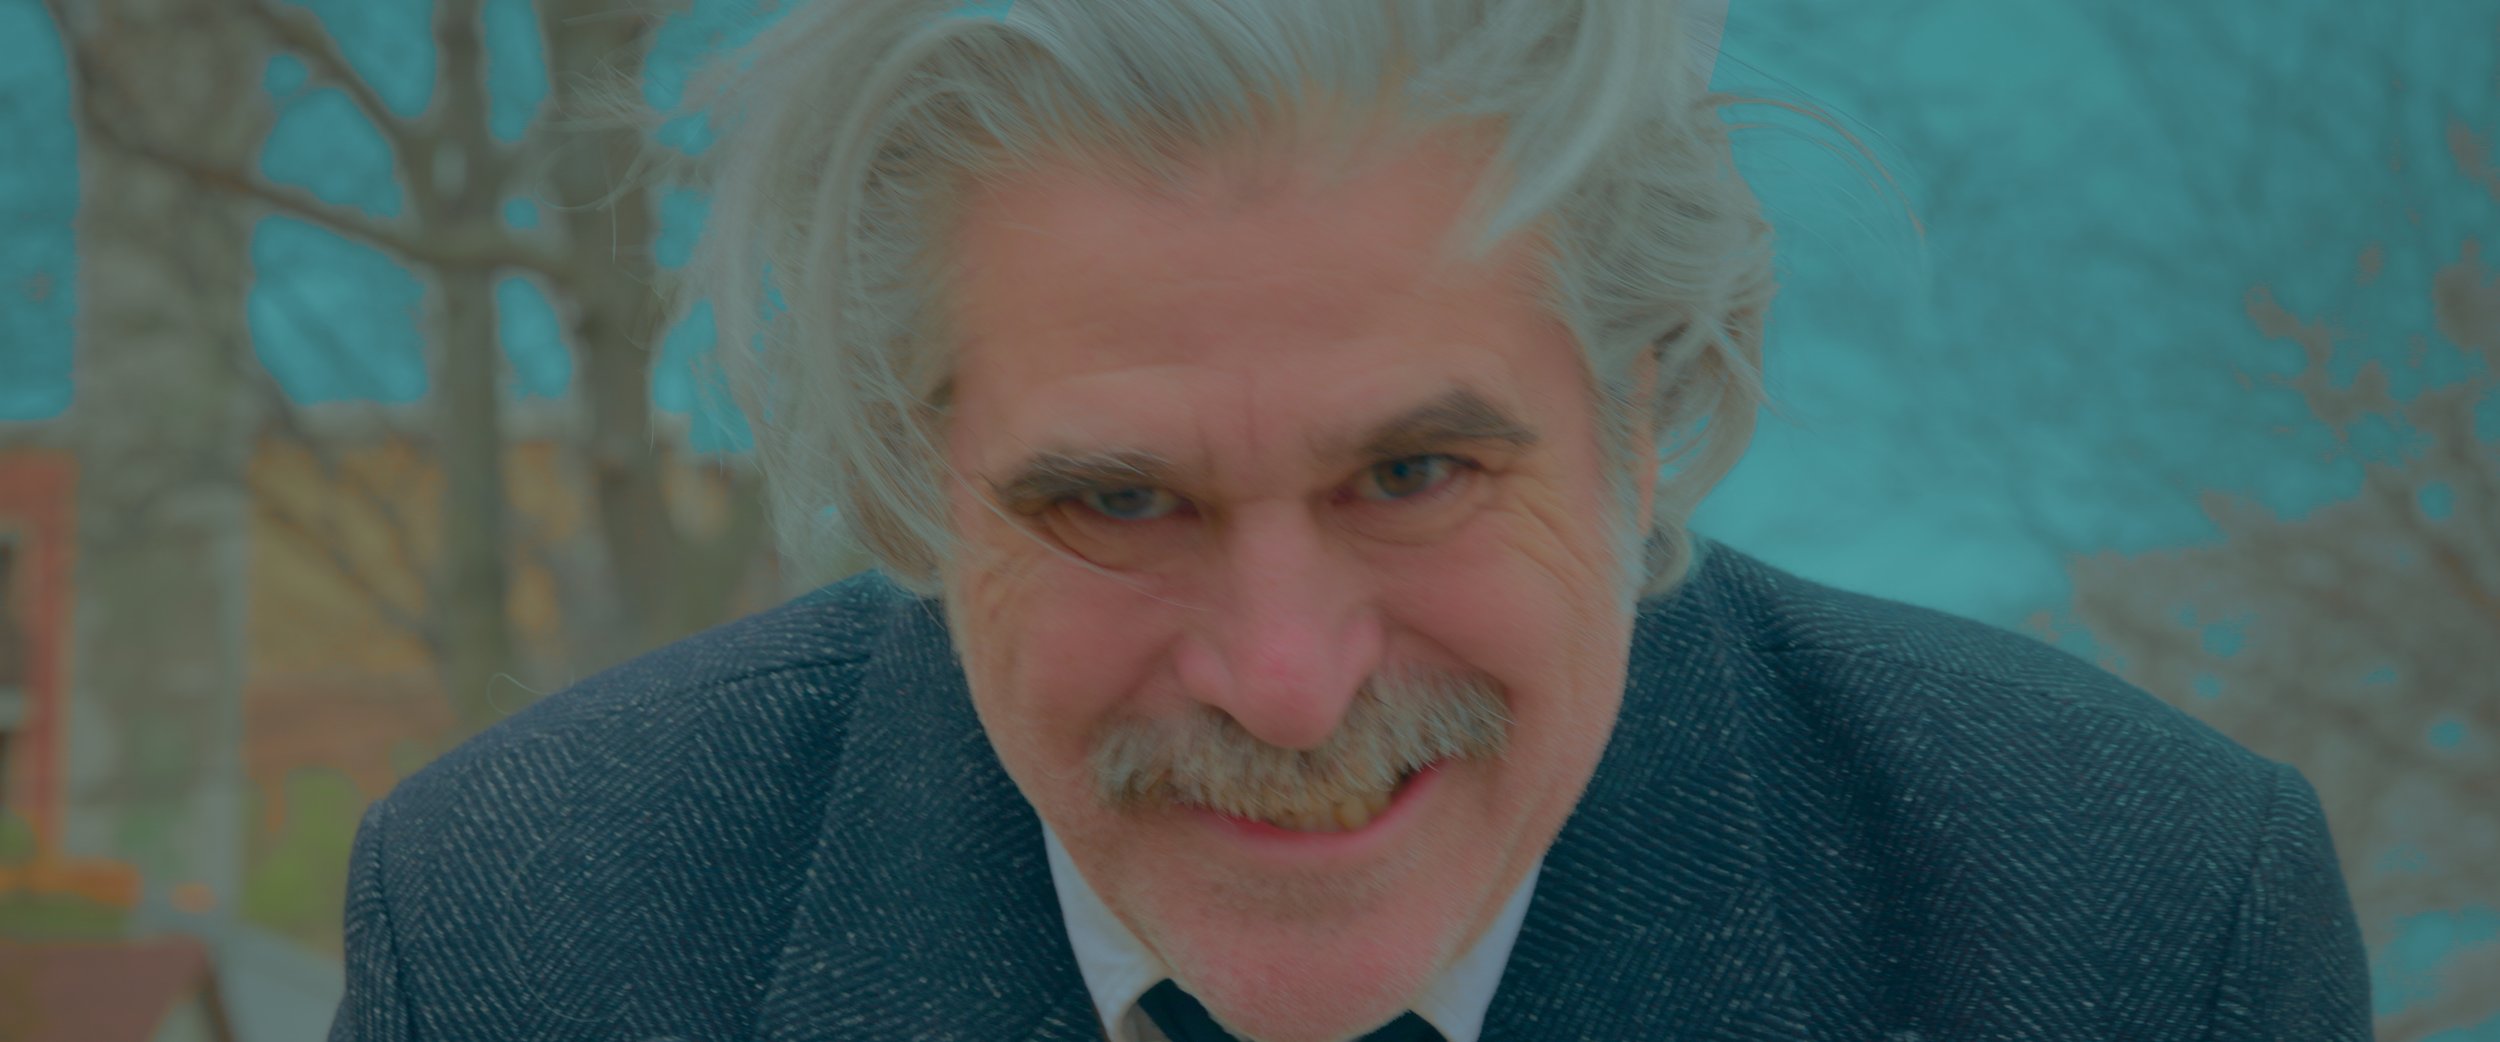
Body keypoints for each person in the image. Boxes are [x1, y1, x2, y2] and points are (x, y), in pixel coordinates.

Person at [327, 2, 2373, 1040]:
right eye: (1115, 496)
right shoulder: (535, 940)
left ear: (1650, 404)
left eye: (1412, 474)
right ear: (912, 464)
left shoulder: (2133, 932)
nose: (1288, 685)